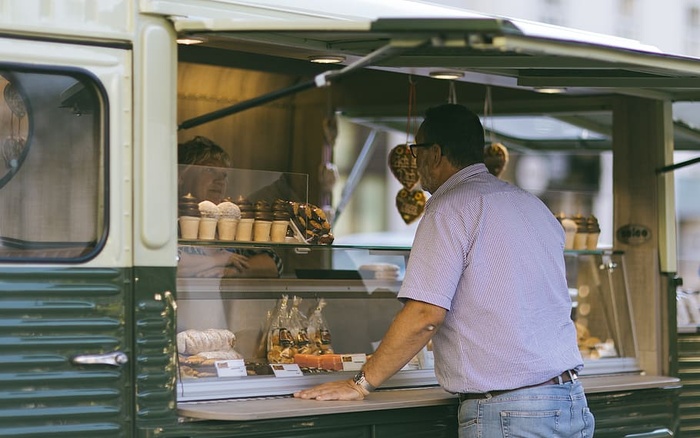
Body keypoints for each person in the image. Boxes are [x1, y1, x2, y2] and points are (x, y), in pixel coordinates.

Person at [294, 104, 594, 437]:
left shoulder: (450, 208)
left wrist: (361, 383)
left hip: (509, 411)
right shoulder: (533, 206)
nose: (413, 161)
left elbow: (425, 314)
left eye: (415, 151)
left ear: (435, 154)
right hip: (569, 401)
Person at [177, 136, 282, 278]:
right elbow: (167, 266)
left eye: (224, 175)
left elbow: (273, 264)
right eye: (209, 170)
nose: (220, 180)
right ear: (181, 176)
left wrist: (231, 272)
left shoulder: (228, 220)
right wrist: (219, 260)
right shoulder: (169, 219)